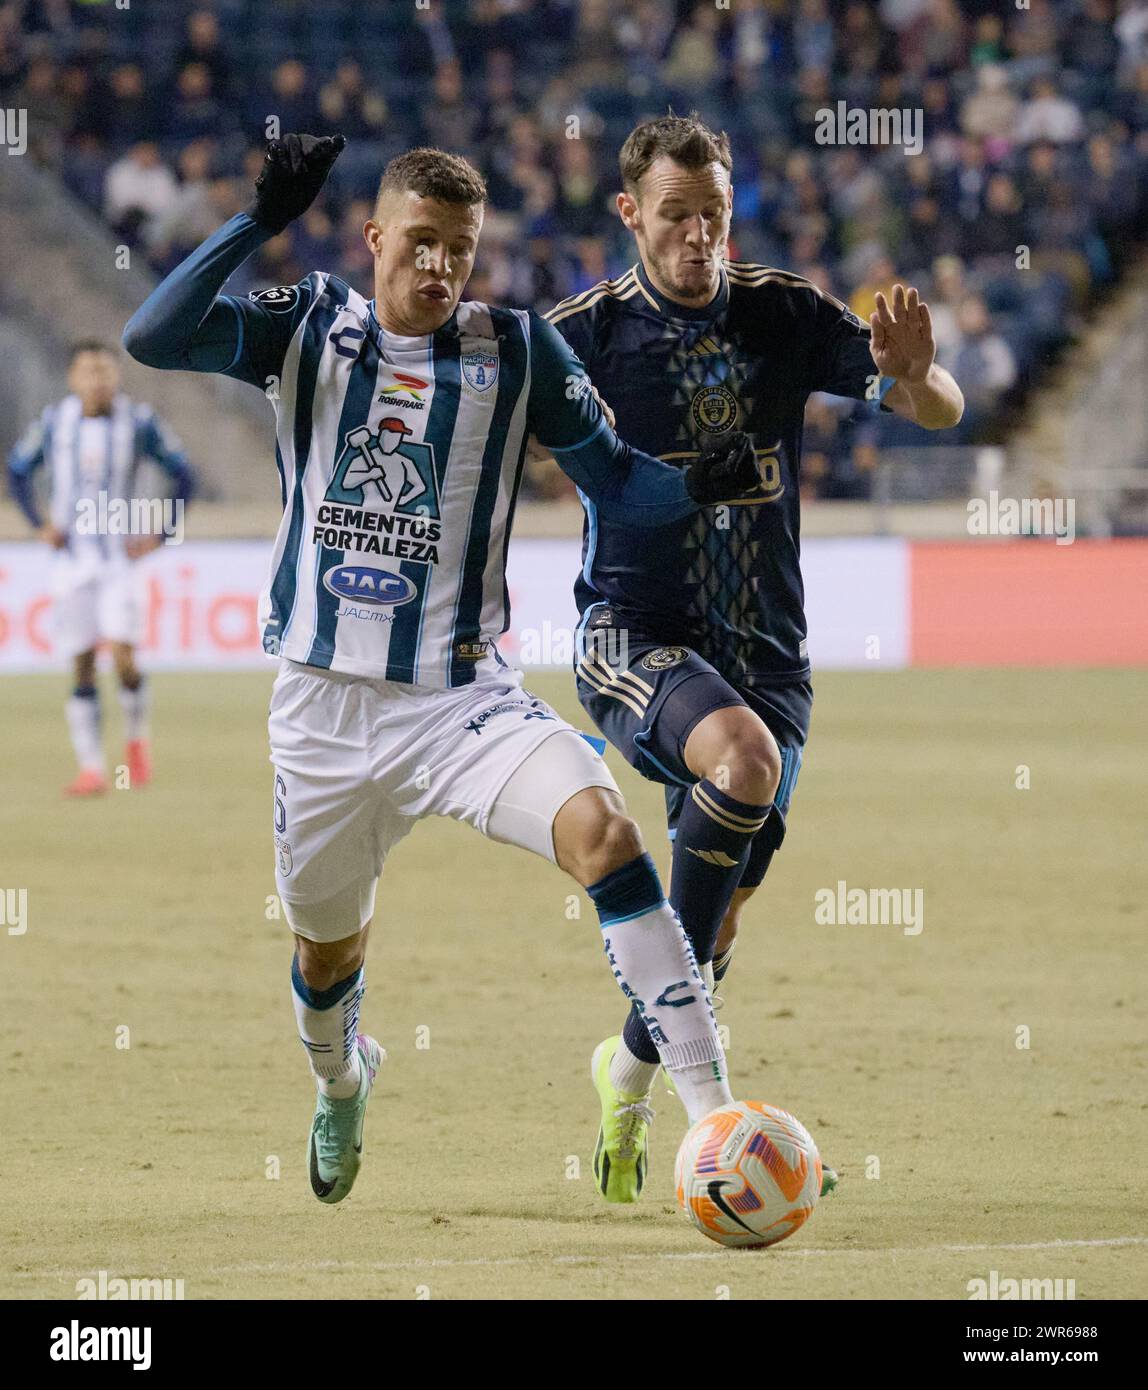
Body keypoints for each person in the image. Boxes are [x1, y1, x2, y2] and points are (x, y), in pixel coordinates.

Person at [122, 134, 762, 1205]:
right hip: (322, 715)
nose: (438, 268)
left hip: (461, 702)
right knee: (326, 962)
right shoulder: (308, 328)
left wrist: (704, 482)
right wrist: (254, 222)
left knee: (605, 832)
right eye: (419, 243)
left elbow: (621, 490)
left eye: (457, 251)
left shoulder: (515, 353)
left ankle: (713, 1120)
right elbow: (153, 335)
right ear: (373, 238)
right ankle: (340, 1081)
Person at [546, 112, 964, 1203]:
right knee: (737, 762)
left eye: (714, 217)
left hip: (767, 654)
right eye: (675, 216)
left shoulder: (780, 312)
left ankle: (627, 1067)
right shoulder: (581, 335)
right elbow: (484, 438)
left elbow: (932, 402)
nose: (697, 238)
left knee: (713, 919)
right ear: (631, 213)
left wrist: (918, 381)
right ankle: (711, 1101)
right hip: (631, 636)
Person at [7, 340, 194, 795]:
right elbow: (17, 471)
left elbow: (184, 474)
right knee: (82, 663)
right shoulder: (55, 423)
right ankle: (91, 768)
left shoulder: (140, 422)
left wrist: (161, 534)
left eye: (106, 372)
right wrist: (39, 524)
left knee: (125, 657)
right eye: (89, 372)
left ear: (117, 377)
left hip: (118, 562)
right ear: (73, 379)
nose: (98, 381)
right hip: (71, 563)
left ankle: (135, 745)